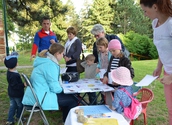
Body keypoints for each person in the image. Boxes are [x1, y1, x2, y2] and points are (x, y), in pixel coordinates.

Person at [22, 43, 78, 122]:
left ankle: (66, 121)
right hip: (41, 97)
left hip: (36, 94)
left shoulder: (45, 61)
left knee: (70, 97)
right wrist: (63, 89)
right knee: (72, 100)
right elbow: (55, 88)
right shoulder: (50, 64)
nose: (63, 56)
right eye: (62, 53)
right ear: (57, 54)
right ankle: (68, 122)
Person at [140, 0, 172, 124]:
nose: (144, 14)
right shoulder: (155, 24)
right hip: (167, 72)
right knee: (171, 110)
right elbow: (162, 49)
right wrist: (159, 66)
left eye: (145, 10)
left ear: (154, 7)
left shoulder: (170, 24)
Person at [4, 52, 26, 125]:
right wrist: (24, 84)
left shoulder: (9, 72)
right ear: (15, 64)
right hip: (17, 94)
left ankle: (10, 120)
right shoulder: (14, 75)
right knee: (20, 105)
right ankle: (19, 117)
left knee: (12, 106)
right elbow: (16, 86)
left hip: (11, 93)